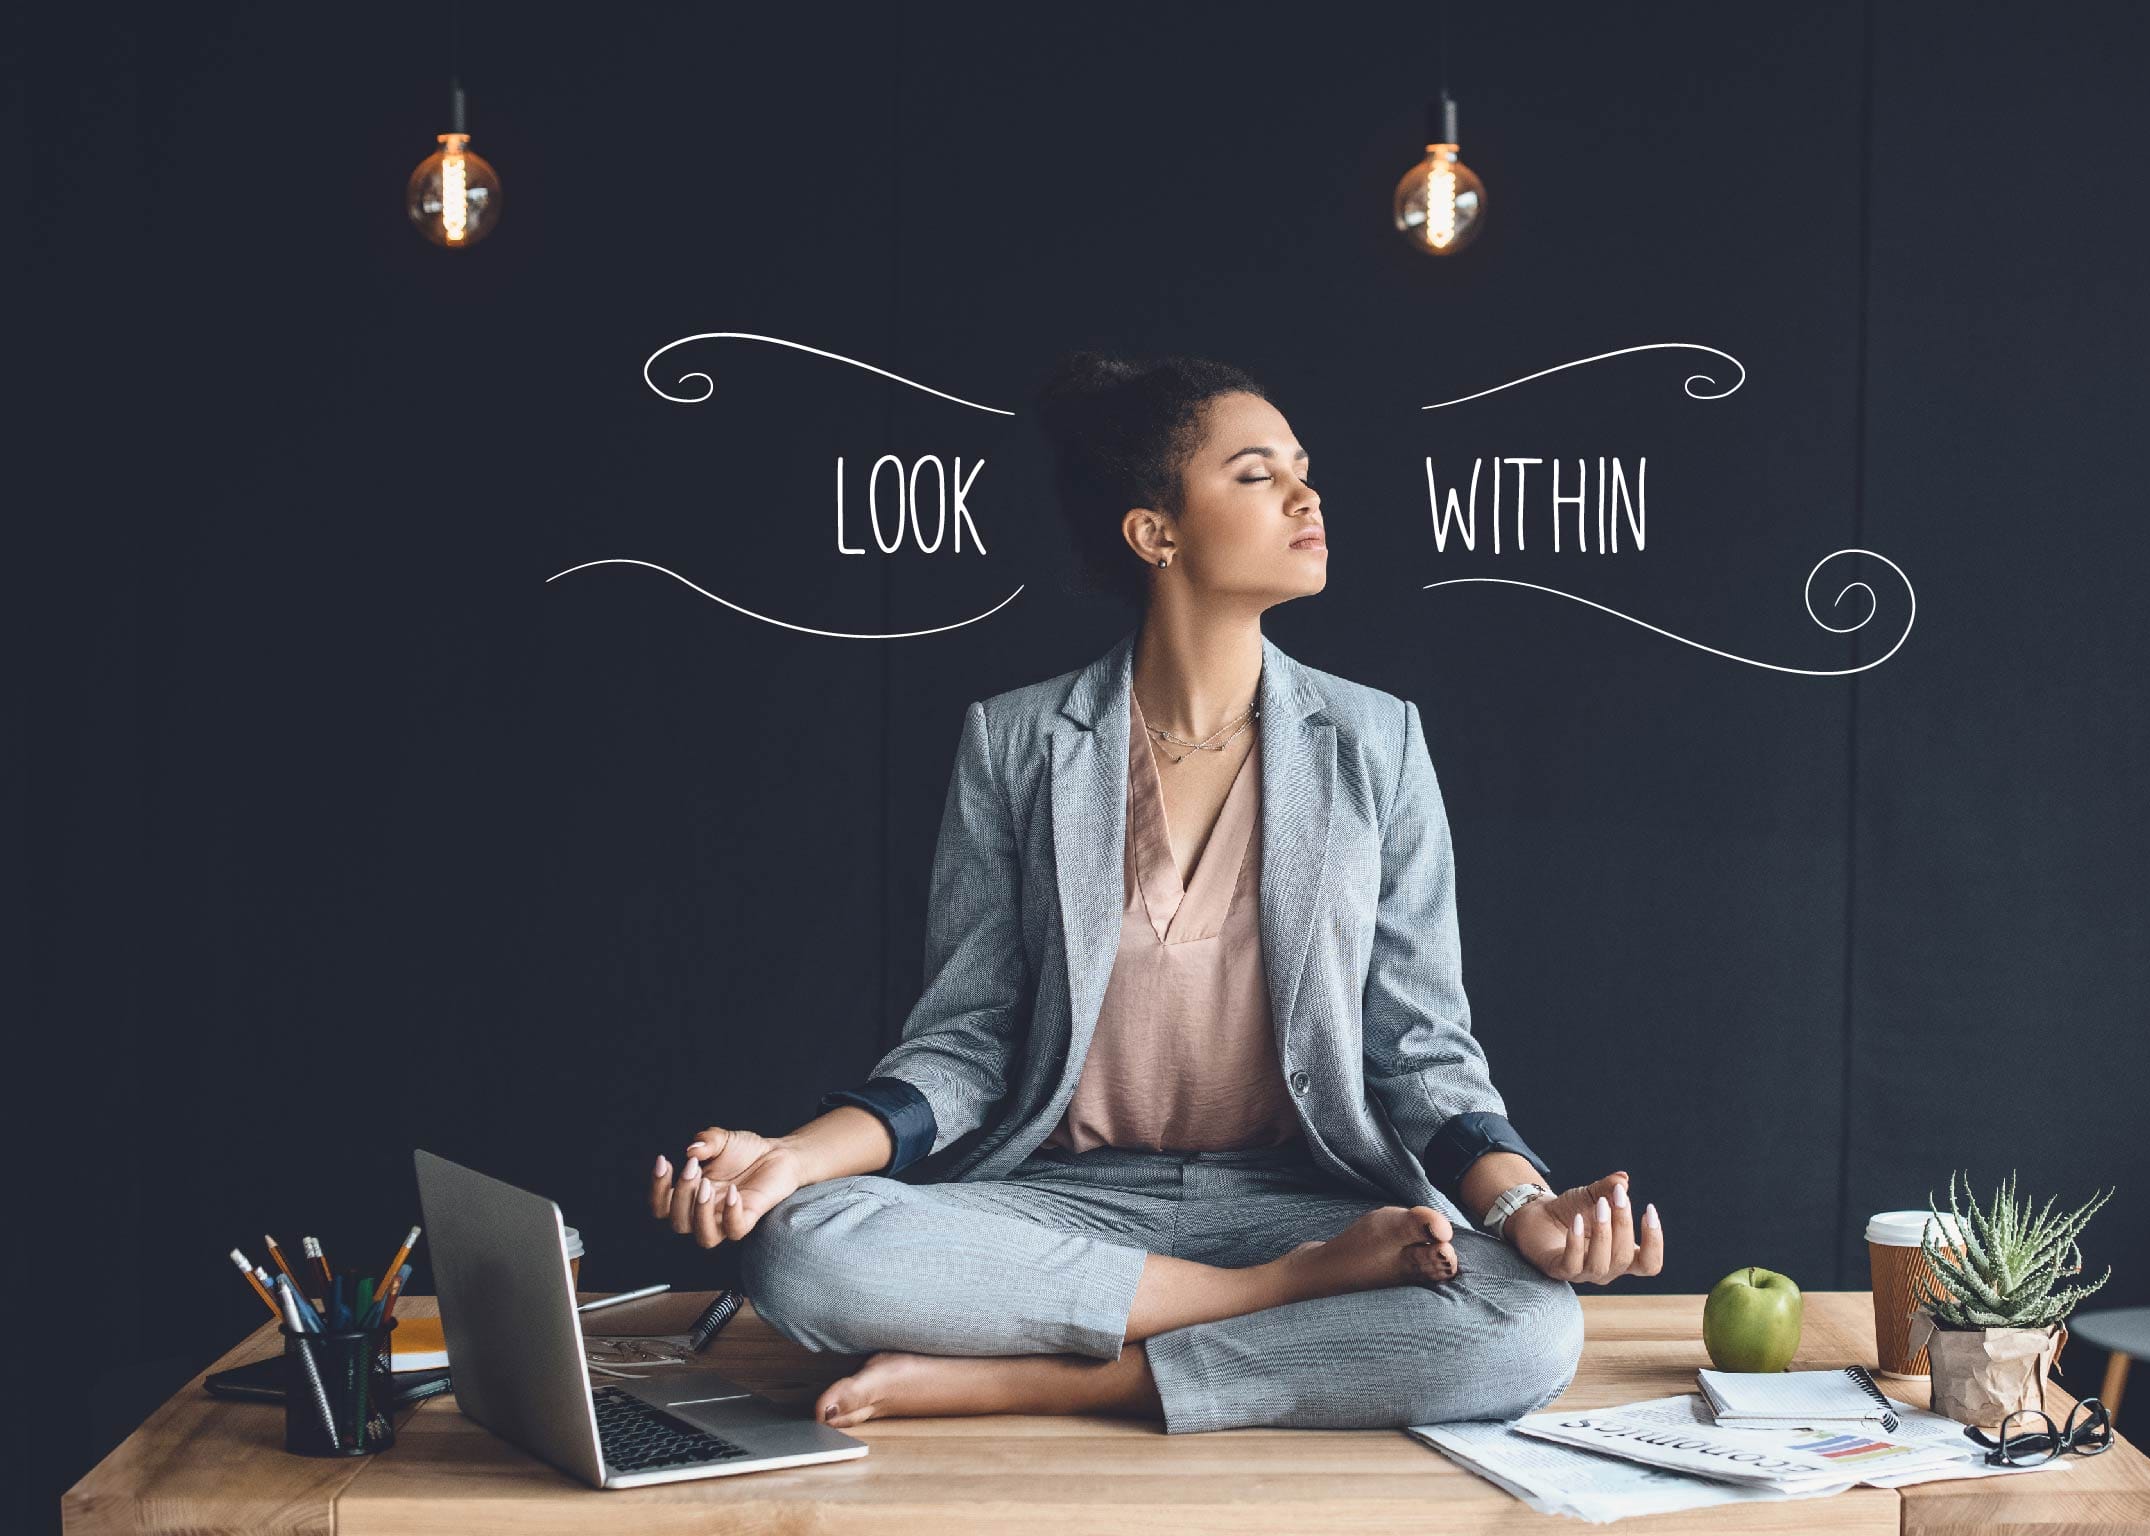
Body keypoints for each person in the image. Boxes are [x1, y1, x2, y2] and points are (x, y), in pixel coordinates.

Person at [646, 350, 1662, 1434]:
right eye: (1258, 473)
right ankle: (1268, 1302)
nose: (1308, 496)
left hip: (1300, 1198)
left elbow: (1420, 1050)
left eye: (1304, 470)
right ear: (1156, 531)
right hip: (1066, 1202)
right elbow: (966, 1044)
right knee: (800, 1251)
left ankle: (1056, 1376)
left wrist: (1523, 1204)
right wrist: (788, 1159)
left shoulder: (1381, 741)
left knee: (1530, 1325)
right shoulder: (1017, 741)